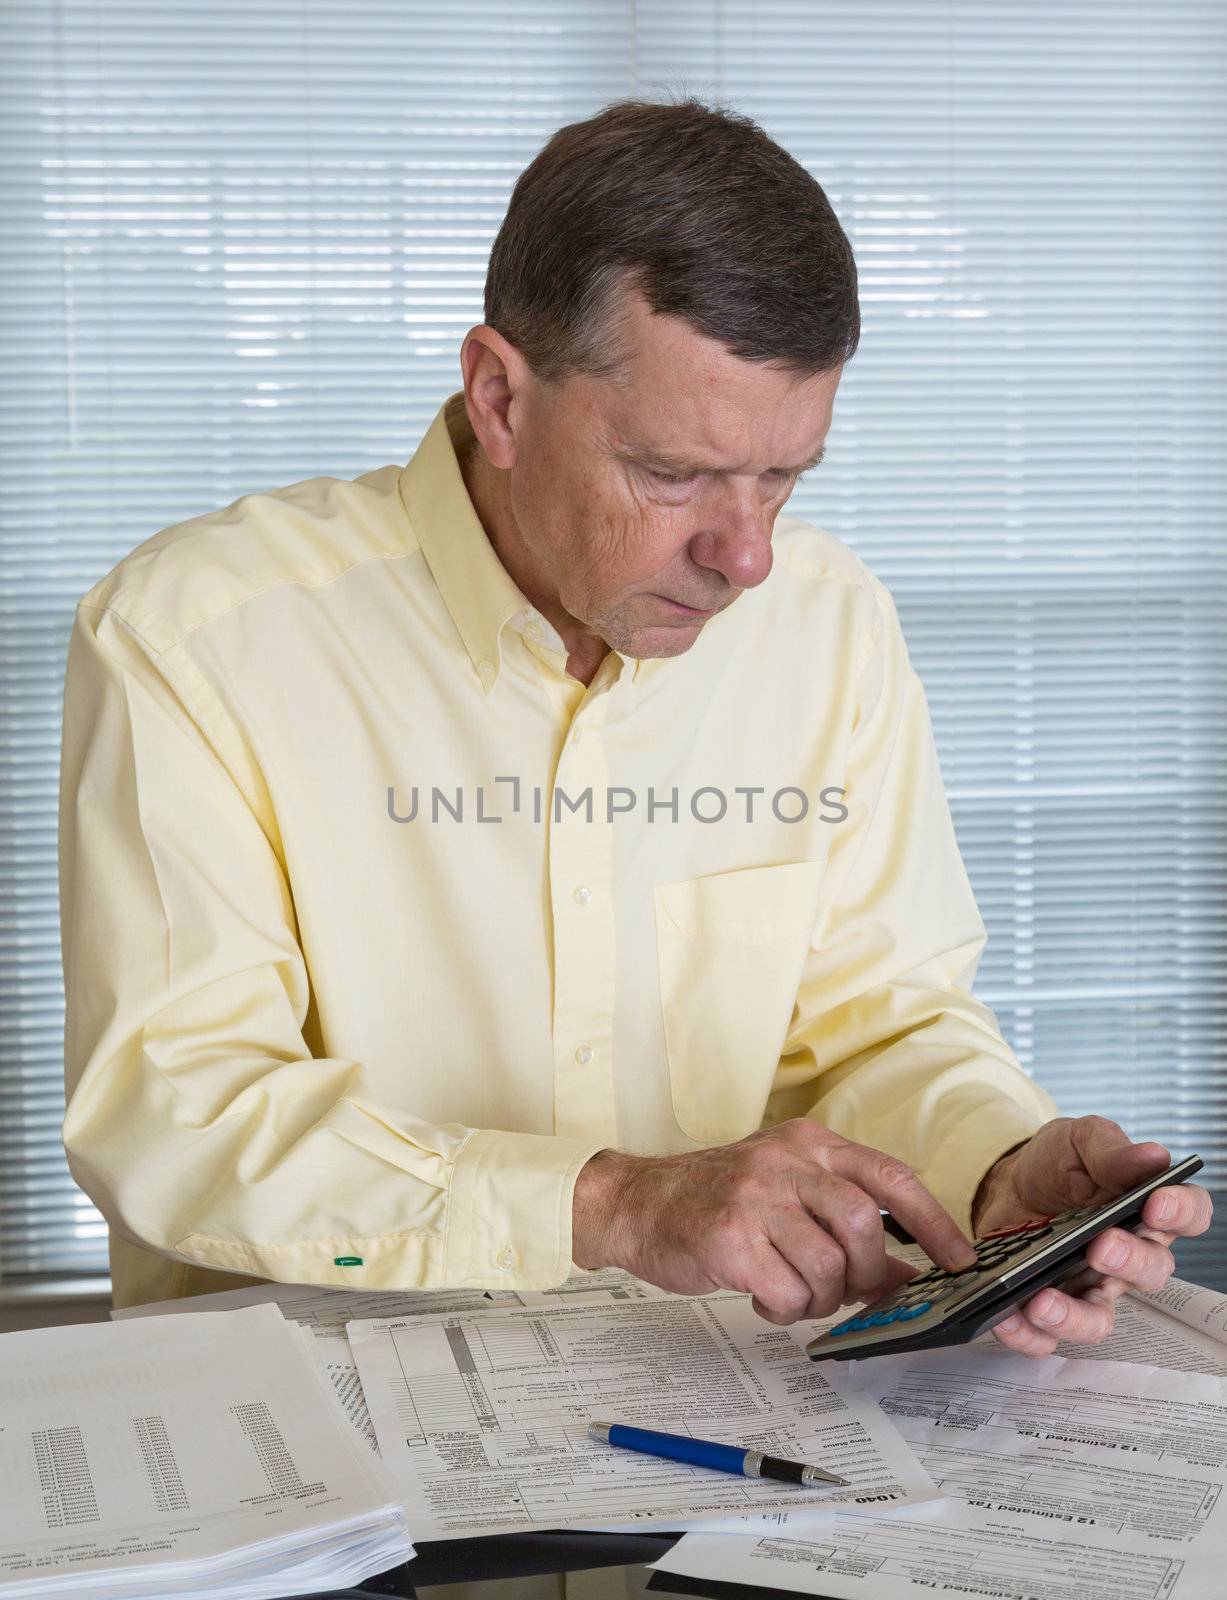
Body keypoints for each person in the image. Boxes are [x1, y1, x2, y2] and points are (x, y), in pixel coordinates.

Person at [58, 96, 1210, 1596]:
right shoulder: (197, 637)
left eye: (786, 477)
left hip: (737, 1506)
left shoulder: (831, 626)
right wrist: (608, 1204)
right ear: (501, 395)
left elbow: (877, 1016)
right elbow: (178, 1112)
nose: (748, 557)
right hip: (335, 1530)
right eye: (676, 475)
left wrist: (988, 1170)